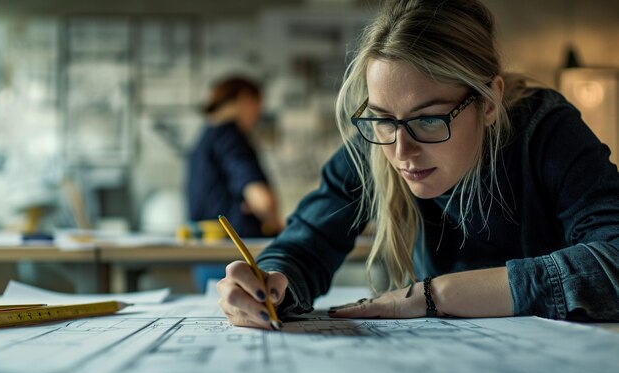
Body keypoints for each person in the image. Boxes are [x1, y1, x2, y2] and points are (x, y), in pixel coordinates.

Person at [216, 0, 619, 329]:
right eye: (381, 118)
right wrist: (267, 283)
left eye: (429, 118)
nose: (401, 151)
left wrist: (433, 295)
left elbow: (613, 258)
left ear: (490, 101)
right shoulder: (377, 143)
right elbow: (304, 246)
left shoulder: (544, 130)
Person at [186, 76, 283, 292]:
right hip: (235, 255)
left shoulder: (205, 138)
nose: (258, 114)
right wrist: (277, 224)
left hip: (206, 253)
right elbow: (260, 197)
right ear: (245, 99)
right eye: (258, 105)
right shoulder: (230, 135)